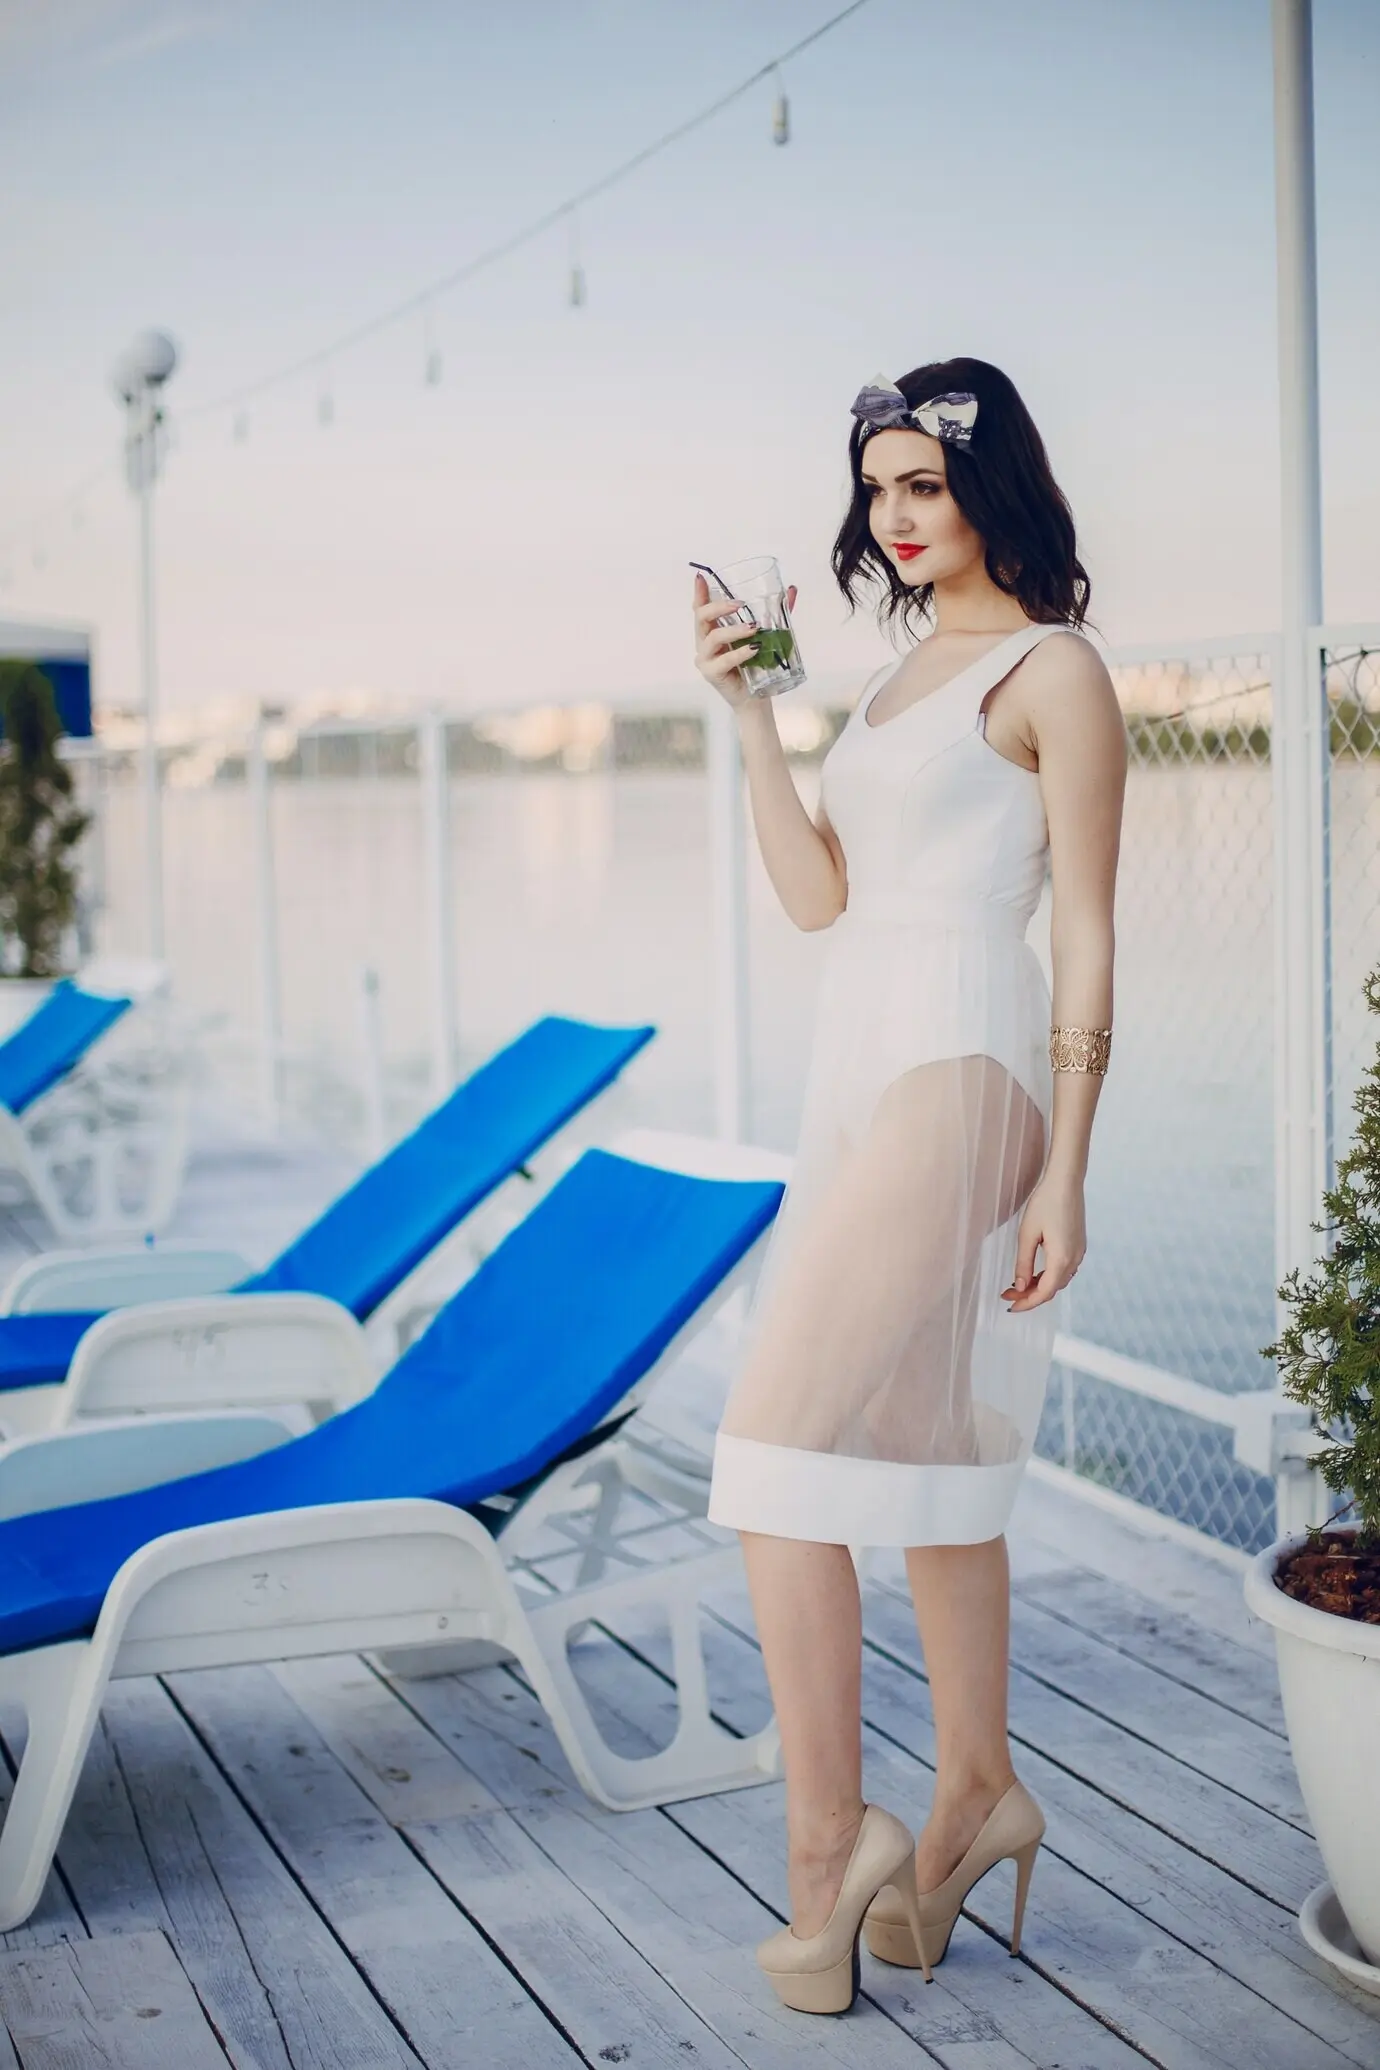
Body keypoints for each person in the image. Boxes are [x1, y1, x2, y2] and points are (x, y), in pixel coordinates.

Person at [691, 358, 1126, 2016]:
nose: (899, 514)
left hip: (973, 1065)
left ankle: (826, 1851)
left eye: (925, 484)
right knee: (929, 1452)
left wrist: (1067, 1173)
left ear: (991, 483)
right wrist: (750, 713)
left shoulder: (1053, 671)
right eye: (880, 489)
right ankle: (973, 1790)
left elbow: (1084, 931)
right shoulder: (885, 686)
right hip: (867, 1074)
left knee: (771, 1452)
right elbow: (817, 900)